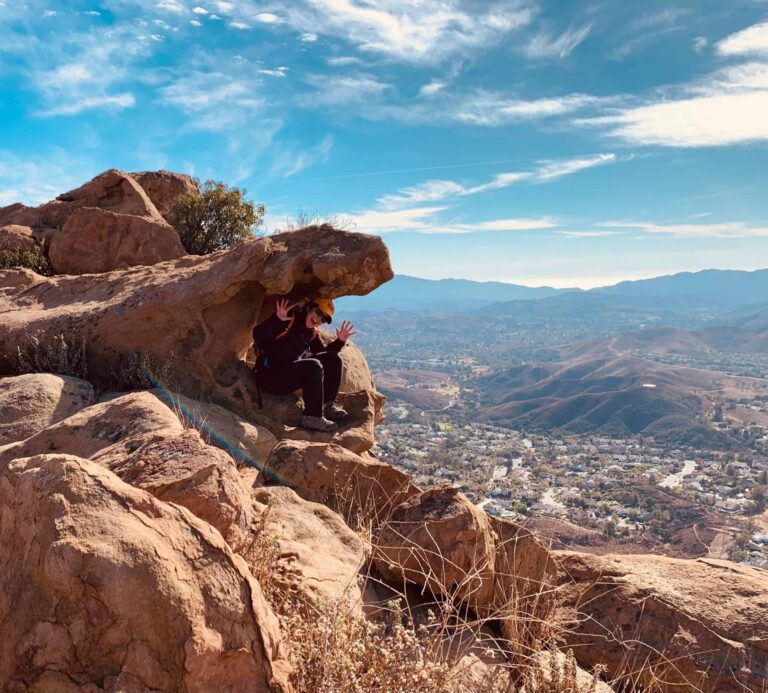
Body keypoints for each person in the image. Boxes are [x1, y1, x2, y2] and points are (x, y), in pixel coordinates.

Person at [251, 297, 356, 432]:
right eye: (318, 313)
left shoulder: (311, 333)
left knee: (333, 358)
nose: (318, 320)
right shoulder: (288, 320)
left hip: (287, 375)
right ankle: (311, 417)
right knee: (313, 365)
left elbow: (323, 353)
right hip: (269, 377)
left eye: (323, 319)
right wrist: (276, 319)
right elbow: (257, 335)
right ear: (309, 308)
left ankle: (327, 406)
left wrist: (340, 341)